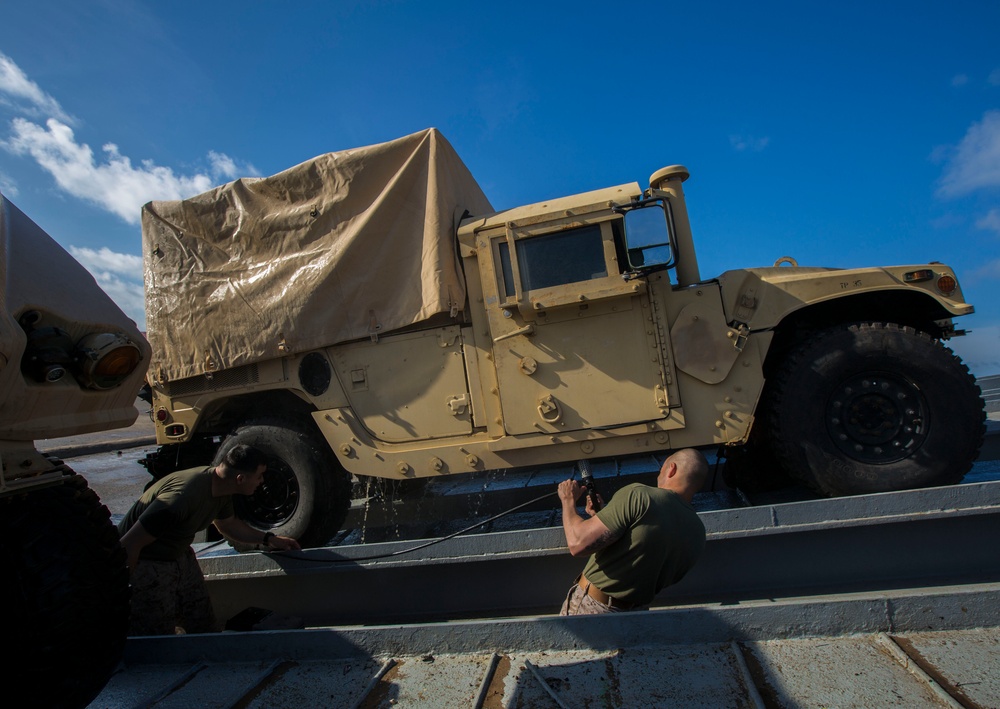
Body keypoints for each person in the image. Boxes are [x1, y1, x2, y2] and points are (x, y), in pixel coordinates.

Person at [118, 444, 301, 635]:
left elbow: (229, 525)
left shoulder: (222, 487)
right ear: (240, 478)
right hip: (149, 563)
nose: (262, 481)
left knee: (202, 623)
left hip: (180, 556)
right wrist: (123, 591)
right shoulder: (181, 498)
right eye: (259, 476)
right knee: (156, 635)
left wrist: (270, 539)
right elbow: (129, 543)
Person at [557, 448, 709, 615]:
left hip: (594, 608)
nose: (659, 474)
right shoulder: (698, 531)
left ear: (671, 469)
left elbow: (578, 543)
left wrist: (568, 500)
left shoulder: (639, 495)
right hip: (638, 614)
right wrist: (604, 516)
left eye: (662, 468)